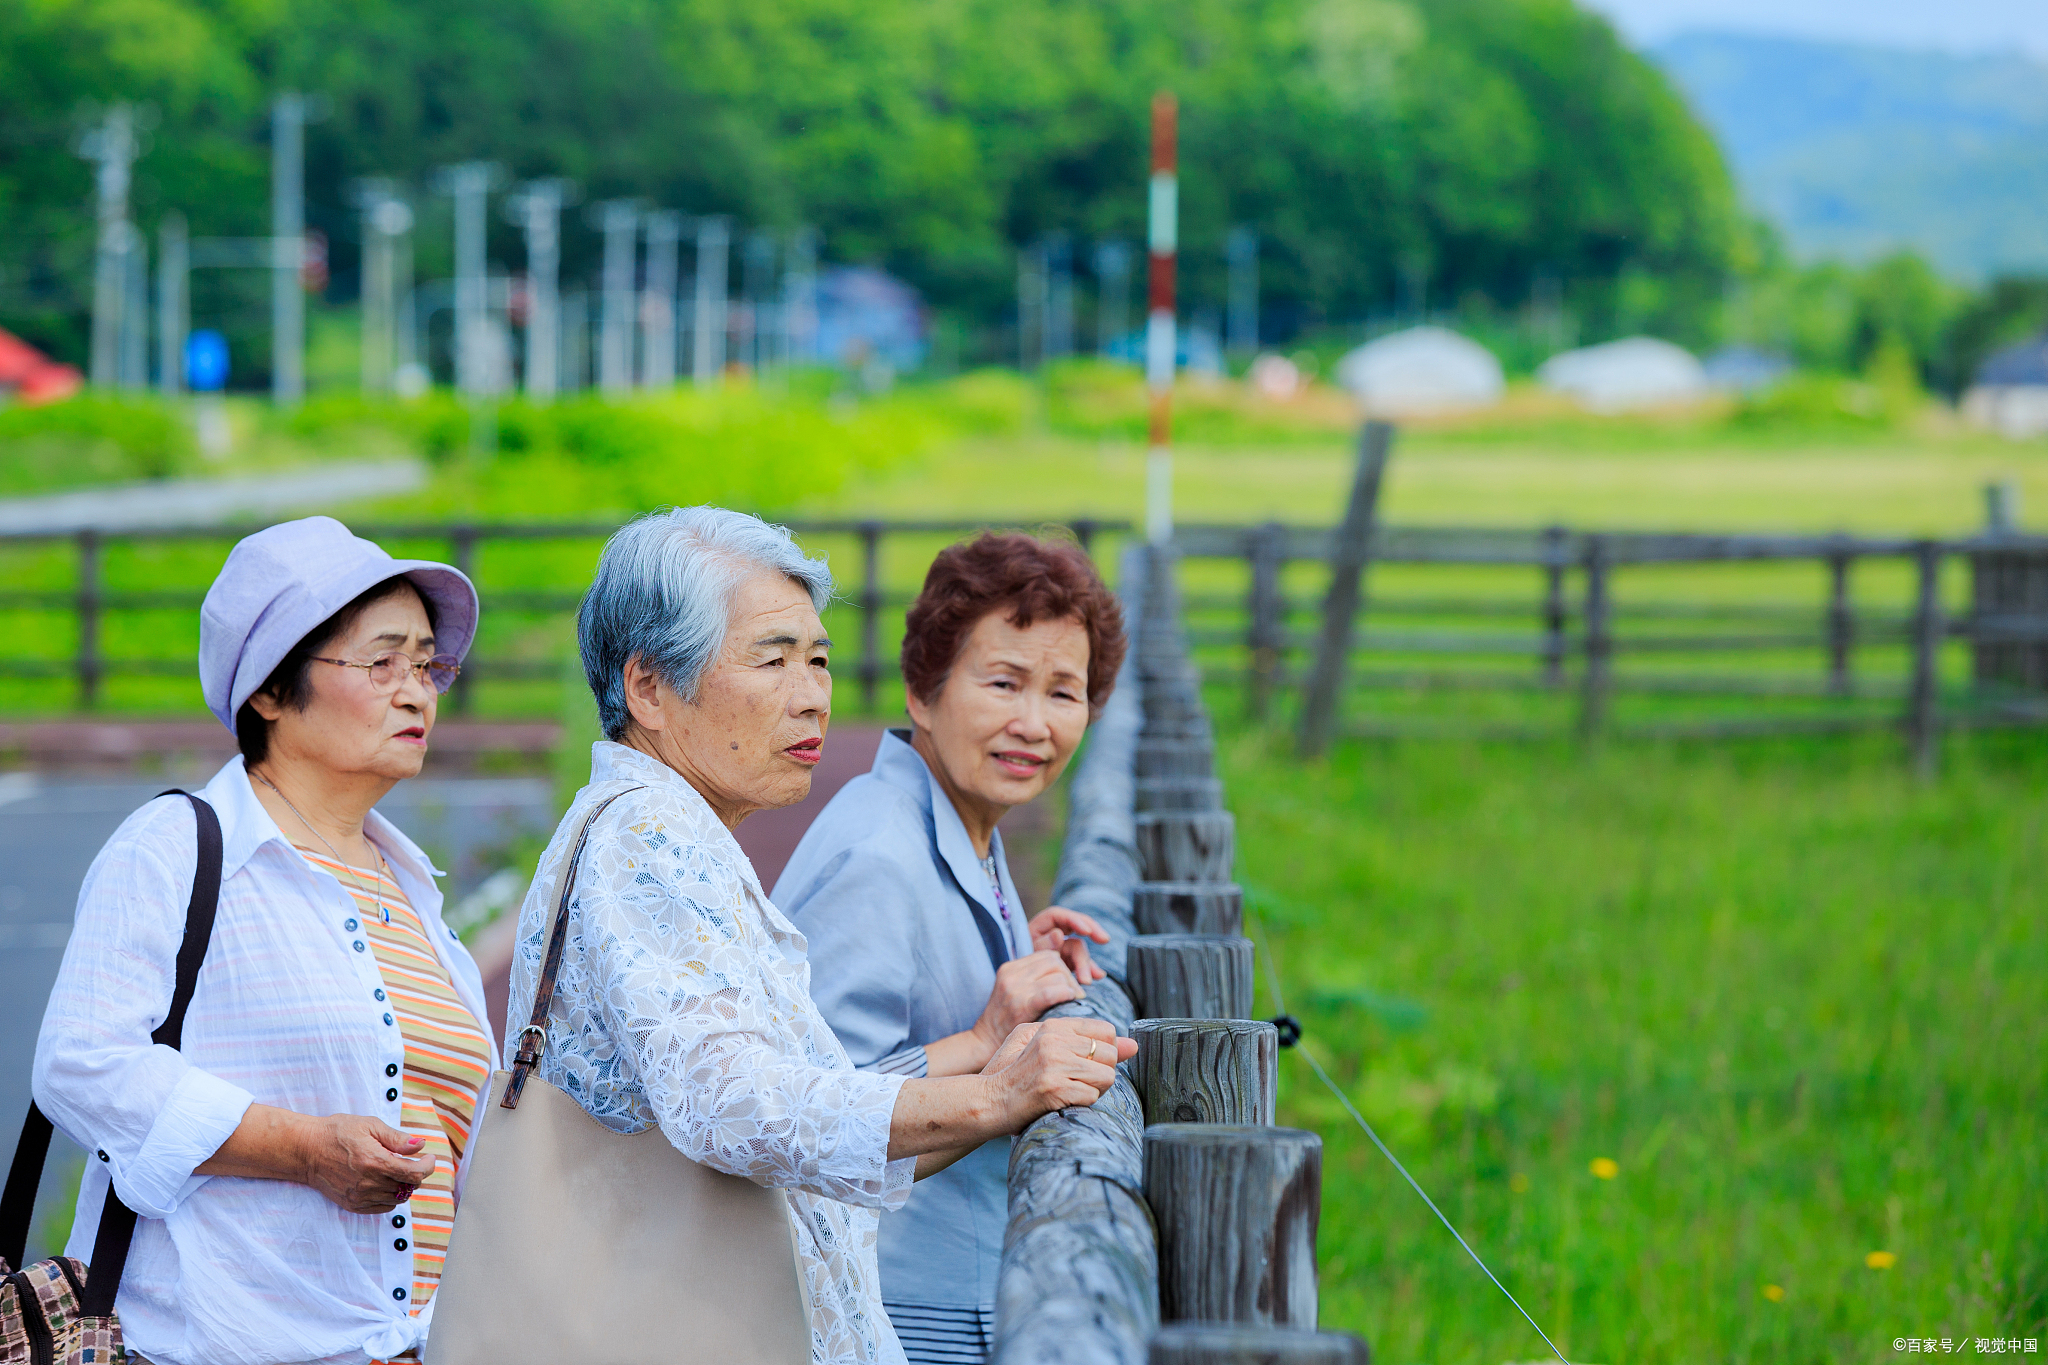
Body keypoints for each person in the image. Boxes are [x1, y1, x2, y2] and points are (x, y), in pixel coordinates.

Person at [511, 507, 1132, 1365]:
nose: (811, 695)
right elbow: (732, 1101)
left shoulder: (682, 835)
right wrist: (995, 1092)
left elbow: (806, 1088)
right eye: (774, 660)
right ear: (649, 687)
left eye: (820, 660)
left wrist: (987, 1043)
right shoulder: (646, 837)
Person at [33, 516, 492, 1365]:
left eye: (428, 663)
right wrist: (306, 1150)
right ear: (271, 692)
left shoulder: (411, 885)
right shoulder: (178, 845)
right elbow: (82, 1059)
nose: (418, 690)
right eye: (381, 660)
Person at [773, 531, 1127, 1364]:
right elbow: (810, 1119)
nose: (1033, 723)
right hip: (894, 1312)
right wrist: (994, 1039)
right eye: (1003, 682)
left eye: (1063, 691)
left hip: (945, 1297)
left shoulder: (962, 825)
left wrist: (1011, 954)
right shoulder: (877, 854)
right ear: (923, 691)